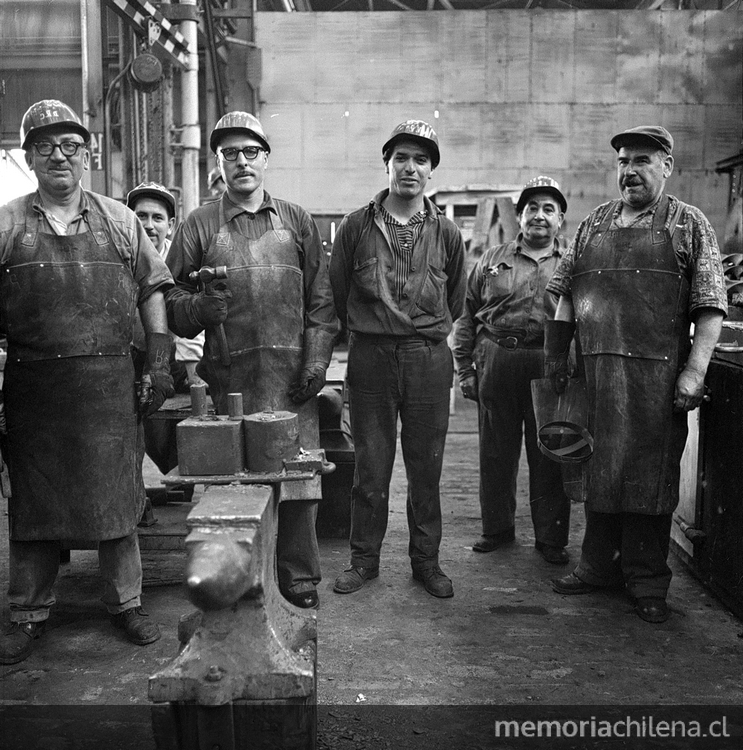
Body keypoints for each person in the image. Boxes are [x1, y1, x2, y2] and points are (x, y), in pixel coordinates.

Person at [0, 99, 174, 665]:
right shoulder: (4, 224)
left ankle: (125, 603)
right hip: (34, 390)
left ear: (88, 154)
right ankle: (28, 612)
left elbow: (152, 289)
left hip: (107, 385)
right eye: (45, 145)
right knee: (34, 507)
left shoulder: (121, 220)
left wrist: (159, 360)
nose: (59, 155)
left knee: (118, 500)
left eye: (70, 145)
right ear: (28, 156)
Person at [545, 125, 727, 623]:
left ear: (667, 166)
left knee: (649, 481)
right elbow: (563, 295)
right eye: (623, 160)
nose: (630, 170)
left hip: (657, 383)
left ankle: (647, 580)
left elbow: (710, 307)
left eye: (642, 160)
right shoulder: (593, 223)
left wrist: (695, 370)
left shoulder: (688, 223)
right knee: (595, 473)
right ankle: (595, 568)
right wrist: (556, 359)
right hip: (596, 379)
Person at [164, 111, 338, 610]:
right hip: (228, 382)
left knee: (297, 477)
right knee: (233, 488)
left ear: (266, 158)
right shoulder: (199, 225)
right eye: (229, 154)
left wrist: (317, 359)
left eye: (250, 152)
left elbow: (321, 301)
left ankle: (299, 577)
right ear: (217, 163)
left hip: (292, 382)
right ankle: (237, 578)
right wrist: (199, 307)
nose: (241, 162)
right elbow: (171, 302)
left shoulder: (297, 220)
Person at [329, 120, 466, 599]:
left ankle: (425, 563)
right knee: (371, 466)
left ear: (431, 171)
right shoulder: (354, 227)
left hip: (429, 359)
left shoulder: (447, 233)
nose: (411, 168)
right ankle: (363, 561)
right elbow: (337, 291)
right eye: (402, 158)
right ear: (387, 163)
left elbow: (458, 298)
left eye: (421, 160)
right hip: (371, 358)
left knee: (426, 469)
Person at [453, 176, 571, 565]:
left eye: (548, 209)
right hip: (497, 360)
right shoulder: (491, 259)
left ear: (560, 220)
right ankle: (497, 530)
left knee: (551, 451)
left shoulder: (572, 264)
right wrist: (465, 369)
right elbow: (468, 315)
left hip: (548, 365)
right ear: (519, 216)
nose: (539, 216)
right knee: (496, 451)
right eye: (532, 208)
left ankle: (551, 538)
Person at [126, 182, 205, 493]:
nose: (149, 225)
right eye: (141, 216)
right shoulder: (120, 254)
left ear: (170, 224)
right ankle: (133, 497)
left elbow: (189, 318)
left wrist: (192, 373)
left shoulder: (179, 258)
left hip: (175, 361)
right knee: (141, 434)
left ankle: (180, 480)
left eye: (157, 218)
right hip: (131, 356)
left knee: (168, 436)